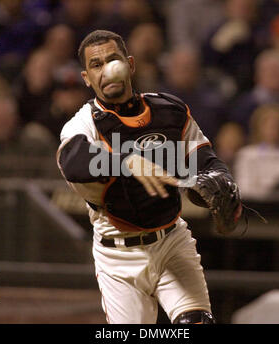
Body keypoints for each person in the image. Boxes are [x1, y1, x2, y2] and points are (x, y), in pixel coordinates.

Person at [56, 30, 242, 324]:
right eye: (96, 64)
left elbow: (205, 160)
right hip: (118, 256)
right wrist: (128, 162)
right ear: (86, 78)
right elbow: (74, 162)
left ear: (130, 64)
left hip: (171, 242)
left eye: (113, 59)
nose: (106, 69)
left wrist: (219, 180)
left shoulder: (170, 111)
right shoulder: (83, 124)